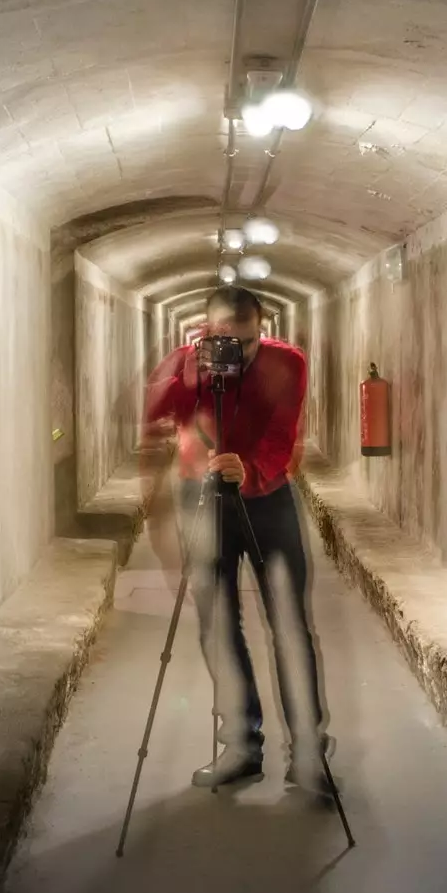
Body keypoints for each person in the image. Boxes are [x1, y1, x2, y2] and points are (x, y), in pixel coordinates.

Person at [138, 285, 334, 798]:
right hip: (200, 499)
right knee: (218, 624)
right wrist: (188, 372)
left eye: (244, 342)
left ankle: (310, 751)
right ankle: (242, 747)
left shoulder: (286, 363)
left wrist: (249, 468)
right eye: (223, 337)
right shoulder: (187, 359)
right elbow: (156, 408)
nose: (234, 352)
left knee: (289, 622)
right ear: (206, 327)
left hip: (268, 497)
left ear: (261, 327)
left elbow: (281, 433)